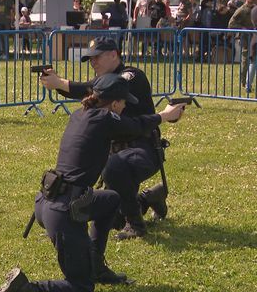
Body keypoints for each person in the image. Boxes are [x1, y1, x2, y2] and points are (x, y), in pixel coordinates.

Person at [0, 74, 184, 292]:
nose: (126, 105)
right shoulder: (105, 118)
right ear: (115, 103)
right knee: (81, 288)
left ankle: (95, 264)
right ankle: (26, 288)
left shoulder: (80, 115)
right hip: (65, 211)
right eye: (124, 102)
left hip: (48, 203)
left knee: (111, 199)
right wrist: (165, 116)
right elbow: (136, 126)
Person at [40, 37, 173, 239]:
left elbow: (90, 90)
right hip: (115, 151)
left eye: (97, 57)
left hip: (142, 149)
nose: (93, 62)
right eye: (90, 59)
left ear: (113, 54)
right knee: (111, 217)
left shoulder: (130, 76)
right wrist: (58, 83)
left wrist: (59, 82)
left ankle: (135, 224)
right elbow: (91, 91)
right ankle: (149, 198)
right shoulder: (106, 81)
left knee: (114, 168)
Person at [229, 0, 257, 89]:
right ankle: (243, 82)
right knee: (246, 60)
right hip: (246, 38)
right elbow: (231, 24)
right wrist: (242, 28)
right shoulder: (241, 10)